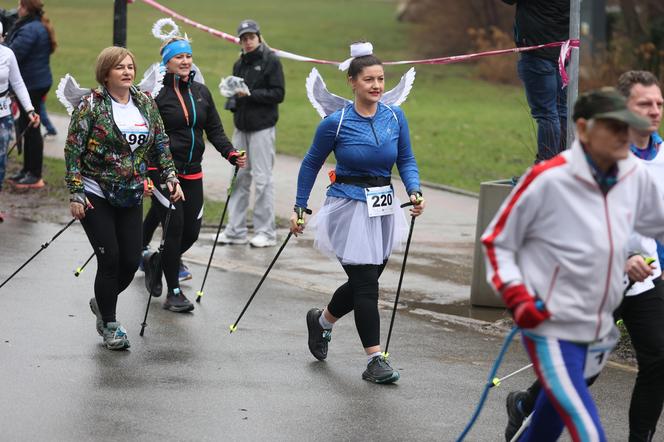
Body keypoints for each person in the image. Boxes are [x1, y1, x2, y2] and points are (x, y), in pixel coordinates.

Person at [482, 88, 664, 441]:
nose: (623, 137)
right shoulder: (549, 178)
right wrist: (519, 298)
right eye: (613, 128)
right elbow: (497, 241)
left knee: (548, 423)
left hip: (595, 325)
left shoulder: (633, 176)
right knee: (587, 430)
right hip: (549, 322)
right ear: (583, 130)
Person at [291, 45, 425, 384]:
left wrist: (414, 189)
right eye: (369, 80)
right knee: (366, 285)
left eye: (380, 79)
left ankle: (321, 322)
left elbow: (406, 159)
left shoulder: (395, 117)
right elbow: (310, 164)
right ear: (353, 82)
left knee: (364, 281)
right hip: (347, 207)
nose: (377, 86)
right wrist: (300, 206)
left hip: (383, 205)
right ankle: (374, 360)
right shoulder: (335, 124)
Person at [64, 46, 183, 350]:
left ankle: (102, 302)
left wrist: (170, 176)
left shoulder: (144, 102)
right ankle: (110, 324)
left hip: (131, 192)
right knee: (110, 258)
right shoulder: (91, 105)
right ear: (106, 73)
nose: (128, 72)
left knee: (130, 261)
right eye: (120, 67)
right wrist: (76, 191)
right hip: (95, 192)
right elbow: (73, 150)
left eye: (130, 66)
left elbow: (160, 144)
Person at [141, 31, 246, 312]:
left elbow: (214, 130)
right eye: (179, 57)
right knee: (173, 230)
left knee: (191, 233)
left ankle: (156, 261)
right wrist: (149, 172)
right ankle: (174, 292)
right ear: (167, 62)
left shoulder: (201, 92)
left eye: (188, 56)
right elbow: (149, 136)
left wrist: (231, 154)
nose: (185, 61)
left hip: (193, 172)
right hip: (163, 172)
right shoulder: (157, 94)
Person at [218, 19, 284, 248]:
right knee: (238, 178)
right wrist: (234, 97)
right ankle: (235, 230)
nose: (247, 42)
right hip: (241, 127)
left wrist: (250, 95)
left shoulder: (270, 61)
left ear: (258, 37)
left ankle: (266, 232)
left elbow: (278, 93)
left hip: (262, 128)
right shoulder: (240, 63)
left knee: (263, 180)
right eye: (244, 38)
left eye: (251, 37)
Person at [502, 0, 570, 163]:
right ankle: (560, 164)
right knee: (559, 111)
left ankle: (546, 166)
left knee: (547, 114)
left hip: (538, 52)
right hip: (560, 52)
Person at [6, 0, 55, 188]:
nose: (17, 9)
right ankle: (28, 170)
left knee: (32, 129)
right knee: (28, 127)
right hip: (36, 81)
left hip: (31, 85)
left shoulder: (29, 30)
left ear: (26, 8)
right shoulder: (36, 26)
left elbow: (12, 55)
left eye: (20, 5)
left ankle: (34, 175)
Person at [0, 20, 39, 202]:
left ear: (2, 37)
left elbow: (17, 83)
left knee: (1, 161)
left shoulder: (8, 54)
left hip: (3, 115)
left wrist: (30, 109)